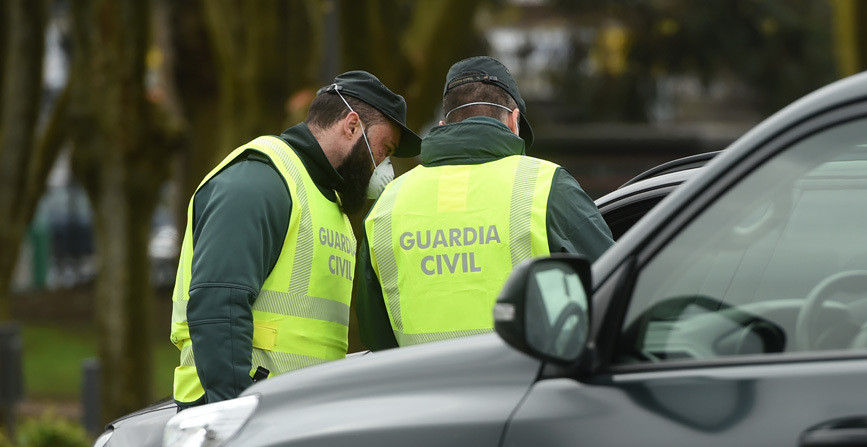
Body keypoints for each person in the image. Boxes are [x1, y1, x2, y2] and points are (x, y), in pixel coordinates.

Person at [170, 71, 421, 408]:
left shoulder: (328, 204)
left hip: (289, 415)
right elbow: (219, 307)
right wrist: (231, 415)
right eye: (384, 148)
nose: (385, 165)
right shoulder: (260, 181)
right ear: (351, 126)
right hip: (239, 414)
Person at [356, 56, 614, 351]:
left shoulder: (388, 204)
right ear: (514, 120)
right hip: (524, 392)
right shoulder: (547, 186)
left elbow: (376, 338)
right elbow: (617, 290)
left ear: (443, 125)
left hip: (423, 392)